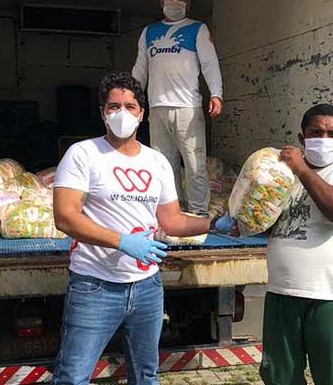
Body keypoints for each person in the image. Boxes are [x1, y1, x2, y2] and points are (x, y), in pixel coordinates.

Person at [51, 72, 232, 385]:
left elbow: (171, 221)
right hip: (95, 285)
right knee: (73, 377)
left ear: (142, 114)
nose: (122, 113)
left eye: (130, 106)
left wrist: (215, 224)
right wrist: (121, 241)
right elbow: (66, 217)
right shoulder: (84, 154)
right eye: (113, 106)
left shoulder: (157, 161)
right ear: (102, 112)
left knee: (146, 376)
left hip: (147, 286)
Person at [260, 104, 333, 385]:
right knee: (280, 377)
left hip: (329, 296)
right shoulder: (282, 174)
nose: (325, 138)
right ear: (302, 138)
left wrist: (302, 169)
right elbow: (266, 221)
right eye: (316, 132)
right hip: (281, 292)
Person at [132, 0, 223, 217]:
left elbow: (210, 64)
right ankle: (174, 210)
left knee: (194, 164)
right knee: (164, 165)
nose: (175, 1)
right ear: (161, 1)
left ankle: (198, 212)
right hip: (157, 107)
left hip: (187, 108)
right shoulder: (149, 32)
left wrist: (216, 94)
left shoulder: (198, 28)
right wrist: (131, 97)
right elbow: (140, 68)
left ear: (188, 3)